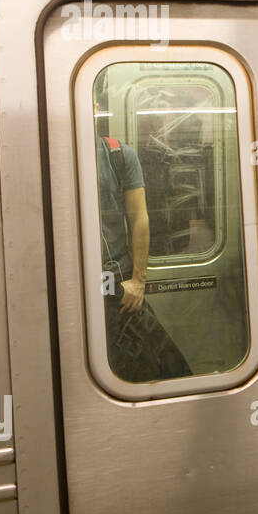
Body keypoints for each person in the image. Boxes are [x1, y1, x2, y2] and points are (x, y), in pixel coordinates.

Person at [97, 112, 192, 382]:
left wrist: (138, 280)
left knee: (150, 369)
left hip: (116, 276)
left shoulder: (118, 154)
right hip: (74, 279)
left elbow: (139, 218)